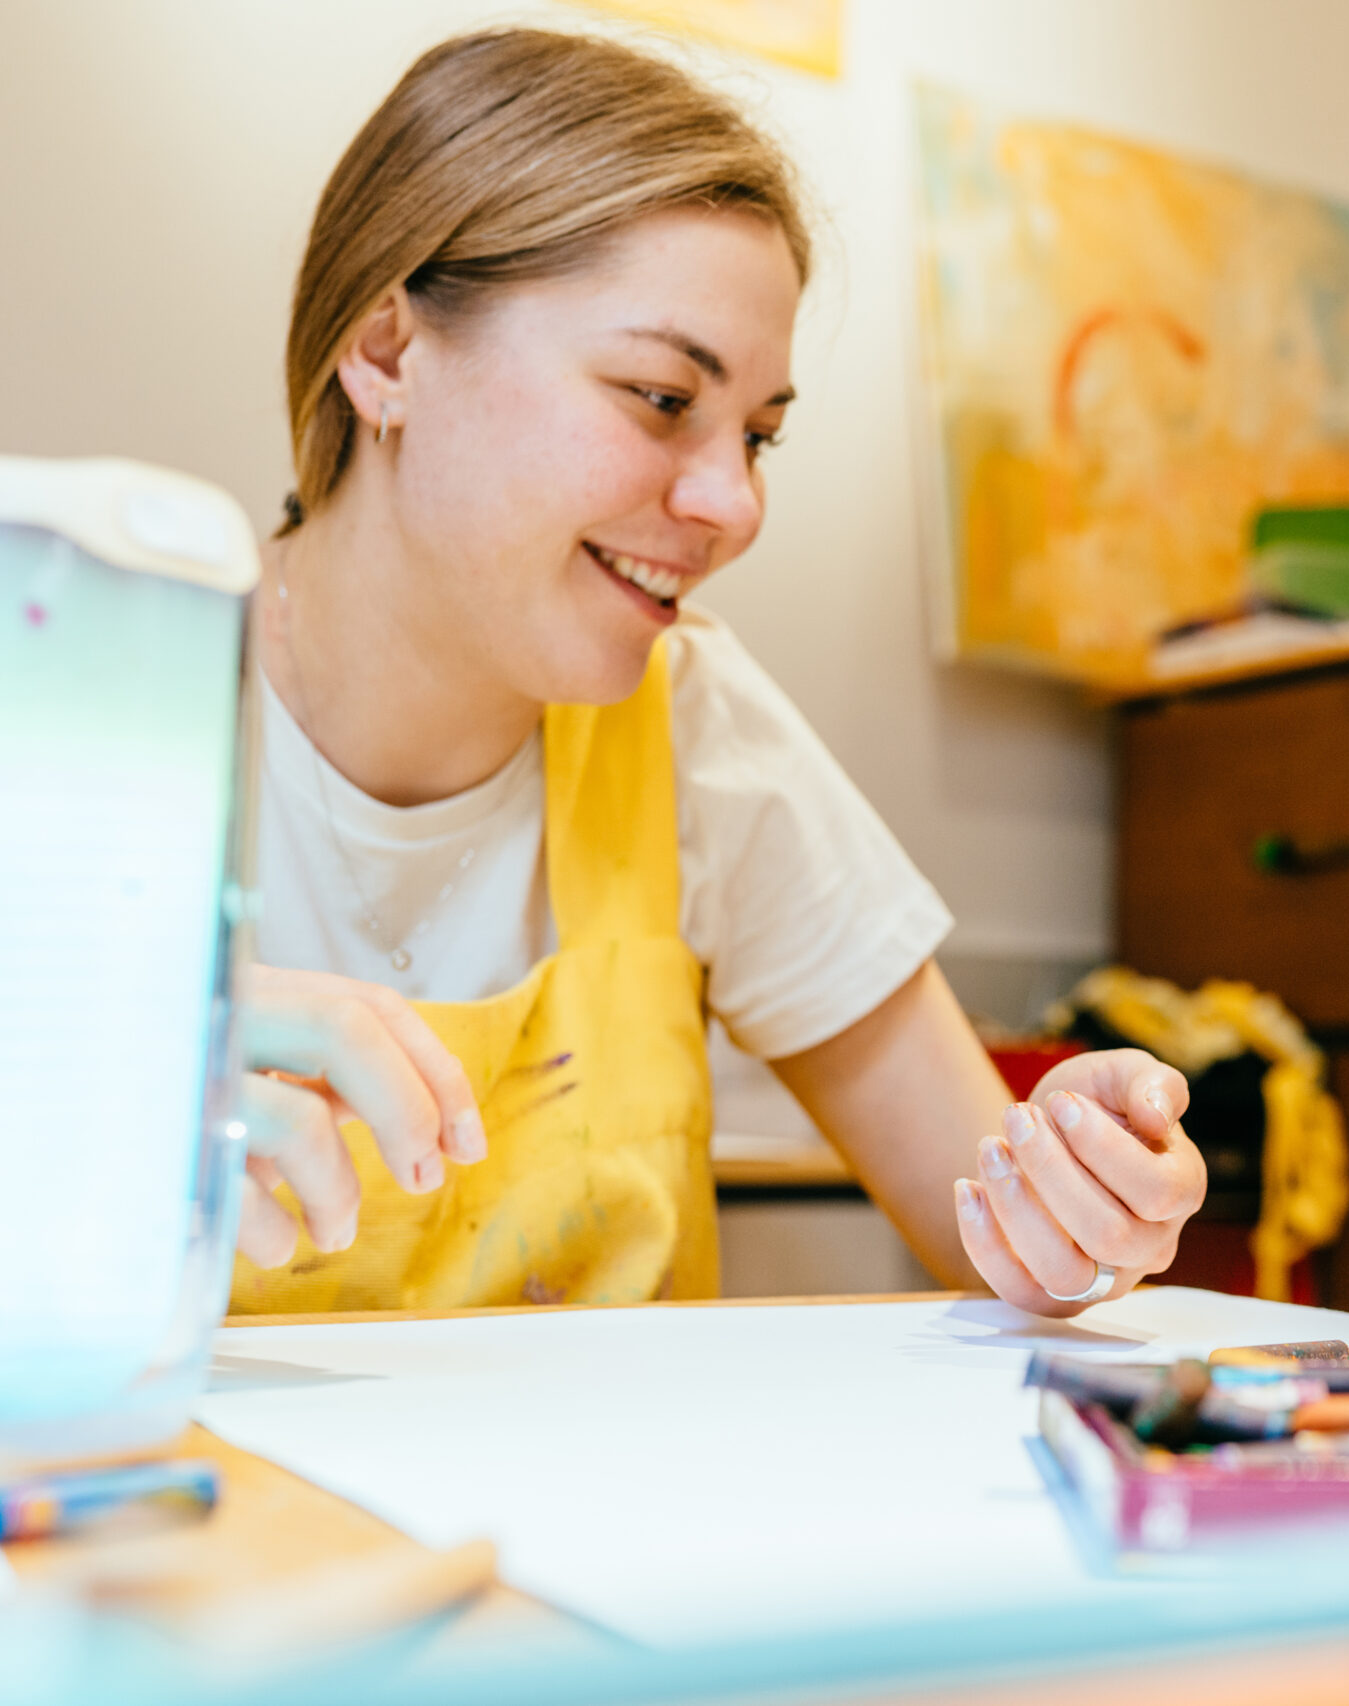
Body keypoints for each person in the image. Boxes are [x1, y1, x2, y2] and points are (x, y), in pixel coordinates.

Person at [225, 27, 1205, 1318]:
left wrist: (1070, 1190)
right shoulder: (99, 702)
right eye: (657, 395)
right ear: (390, 353)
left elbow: (994, 1224)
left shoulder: (690, 717)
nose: (732, 504)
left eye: (758, 434)